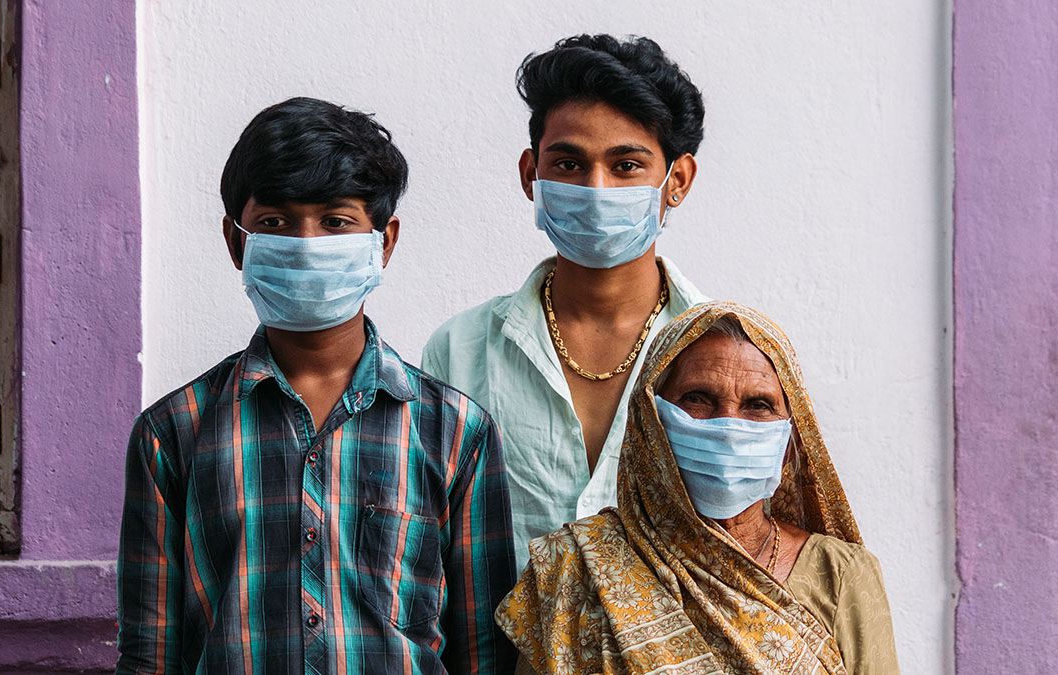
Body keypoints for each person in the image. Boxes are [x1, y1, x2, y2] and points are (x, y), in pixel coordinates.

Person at [116, 97, 517, 674]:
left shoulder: (456, 431)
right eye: (276, 223)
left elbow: (486, 651)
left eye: (335, 221)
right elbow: (147, 654)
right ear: (236, 243)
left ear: (384, 240)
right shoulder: (173, 432)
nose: (307, 245)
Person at [423, 34, 710, 571]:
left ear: (678, 181)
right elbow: (431, 555)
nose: (596, 187)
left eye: (626, 165)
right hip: (505, 657)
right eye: (569, 164)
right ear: (532, 174)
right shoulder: (459, 353)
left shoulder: (723, 353)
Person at [496, 301, 900, 675]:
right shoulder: (576, 567)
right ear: (650, 421)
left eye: (758, 405)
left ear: (790, 438)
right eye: (698, 399)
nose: (727, 425)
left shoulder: (841, 573)